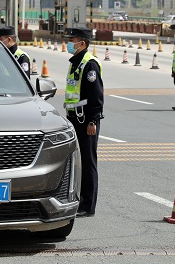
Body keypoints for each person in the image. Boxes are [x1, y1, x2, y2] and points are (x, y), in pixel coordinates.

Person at [63, 27, 104, 217]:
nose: (69, 43)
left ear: (82, 43)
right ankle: (78, 200)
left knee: (88, 163)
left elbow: (96, 96)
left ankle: (88, 206)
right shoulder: (75, 62)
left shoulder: (90, 64)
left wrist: (93, 121)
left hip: (86, 120)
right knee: (77, 163)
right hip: (74, 118)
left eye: (72, 41)